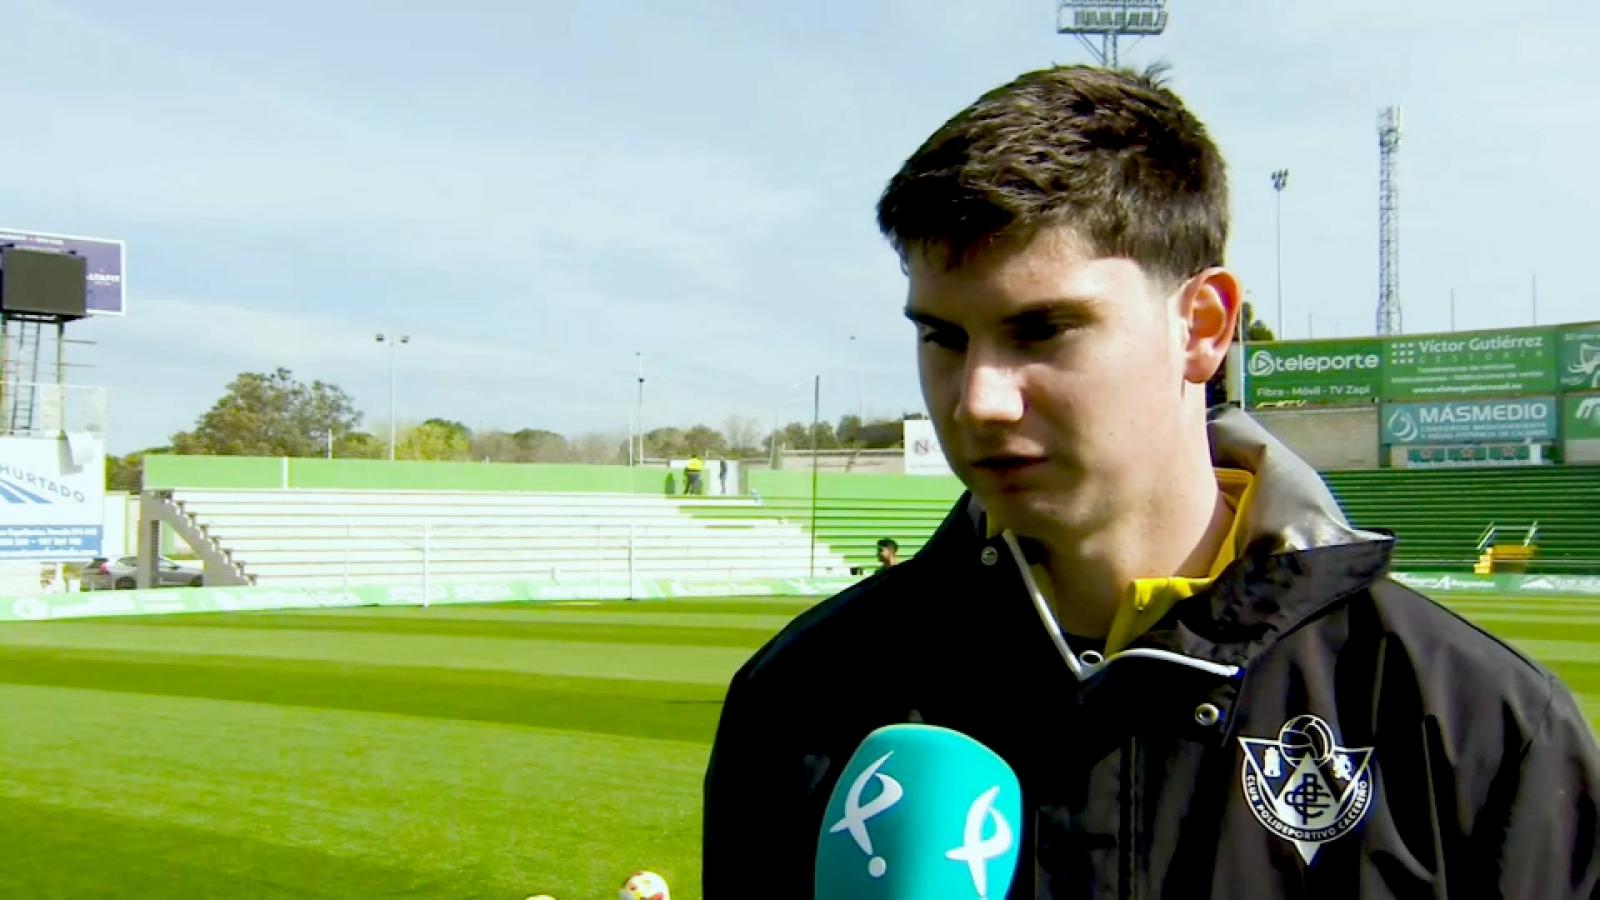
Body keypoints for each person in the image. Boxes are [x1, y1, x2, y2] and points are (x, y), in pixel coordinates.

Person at [703, 65, 1599, 897]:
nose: (978, 400)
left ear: (1202, 328)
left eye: (1042, 330)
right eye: (943, 337)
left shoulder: (1478, 729)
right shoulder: (800, 701)